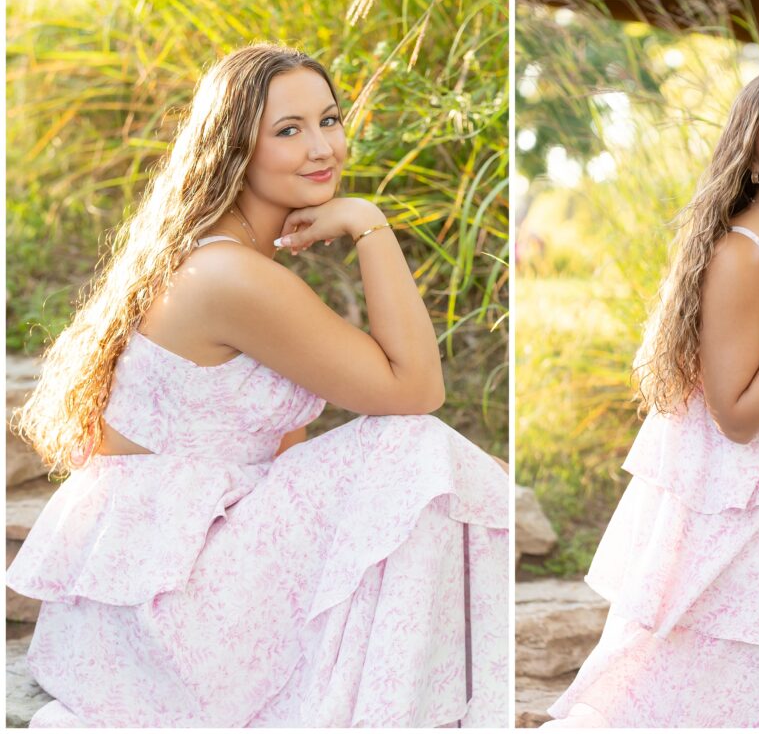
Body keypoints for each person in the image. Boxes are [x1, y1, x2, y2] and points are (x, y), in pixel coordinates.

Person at [7, 43, 508, 728]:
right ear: (235, 148)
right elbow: (417, 388)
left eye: (329, 120)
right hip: (168, 620)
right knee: (415, 448)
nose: (322, 147)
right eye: (288, 130)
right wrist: (371, 226)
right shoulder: (233, 278)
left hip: (146, 610)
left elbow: (282, 453)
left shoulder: (221, 259)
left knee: (433, 470)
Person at [542, 69, 759, 727]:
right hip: (730, 507)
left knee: (733, 684)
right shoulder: (744, 257)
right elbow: (736, 416)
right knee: (733, 679)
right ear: (754, 151)